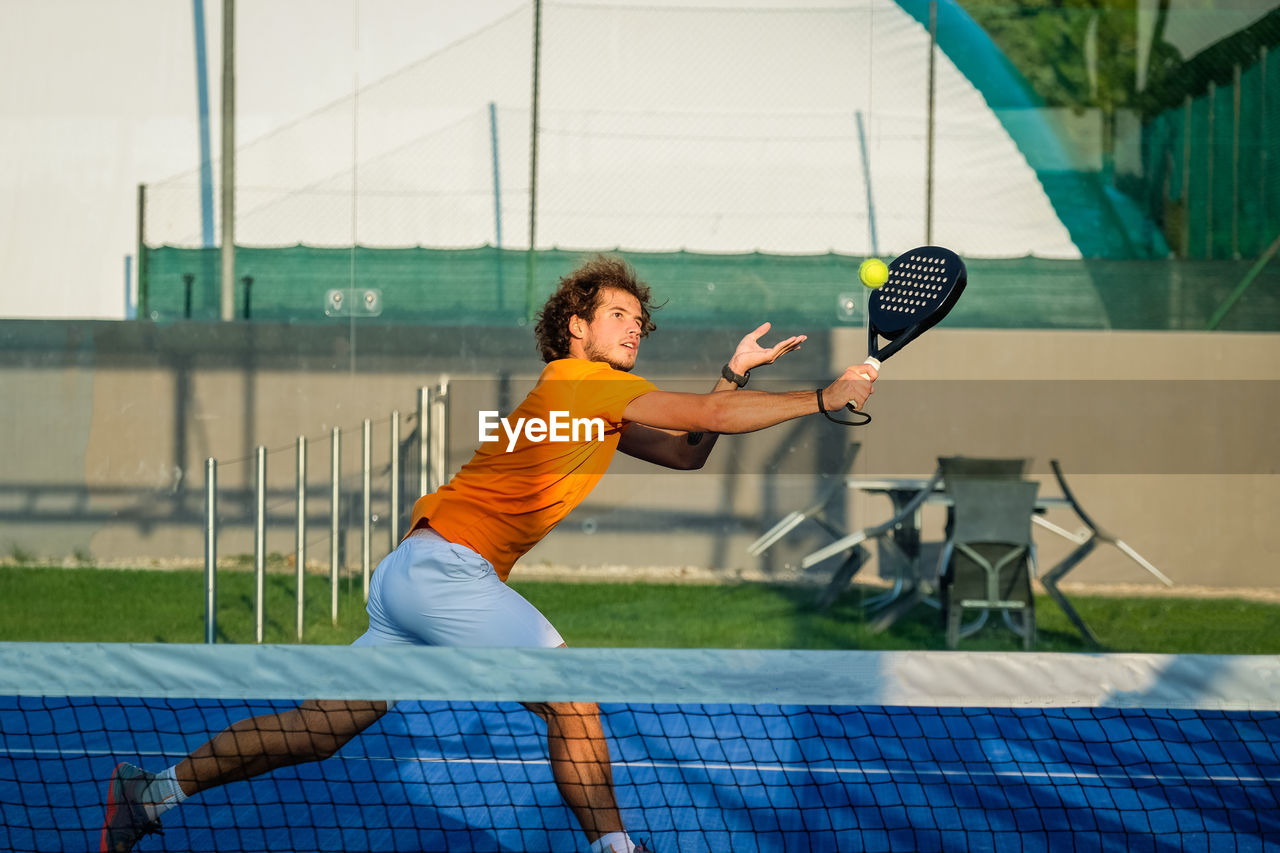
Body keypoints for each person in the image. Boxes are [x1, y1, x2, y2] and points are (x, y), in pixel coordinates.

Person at [100, 254, 877, 853]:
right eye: (617, 315)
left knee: (322, 726)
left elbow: (687, 451)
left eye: (639, 320)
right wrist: (820, 396)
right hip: (446, 571)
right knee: (571, 692)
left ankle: (152, 793)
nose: (633, 329)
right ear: (577, 327)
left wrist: (733, 373)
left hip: (412, 572)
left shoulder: (592, 400)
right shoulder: (579, 382)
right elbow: (709, 417)